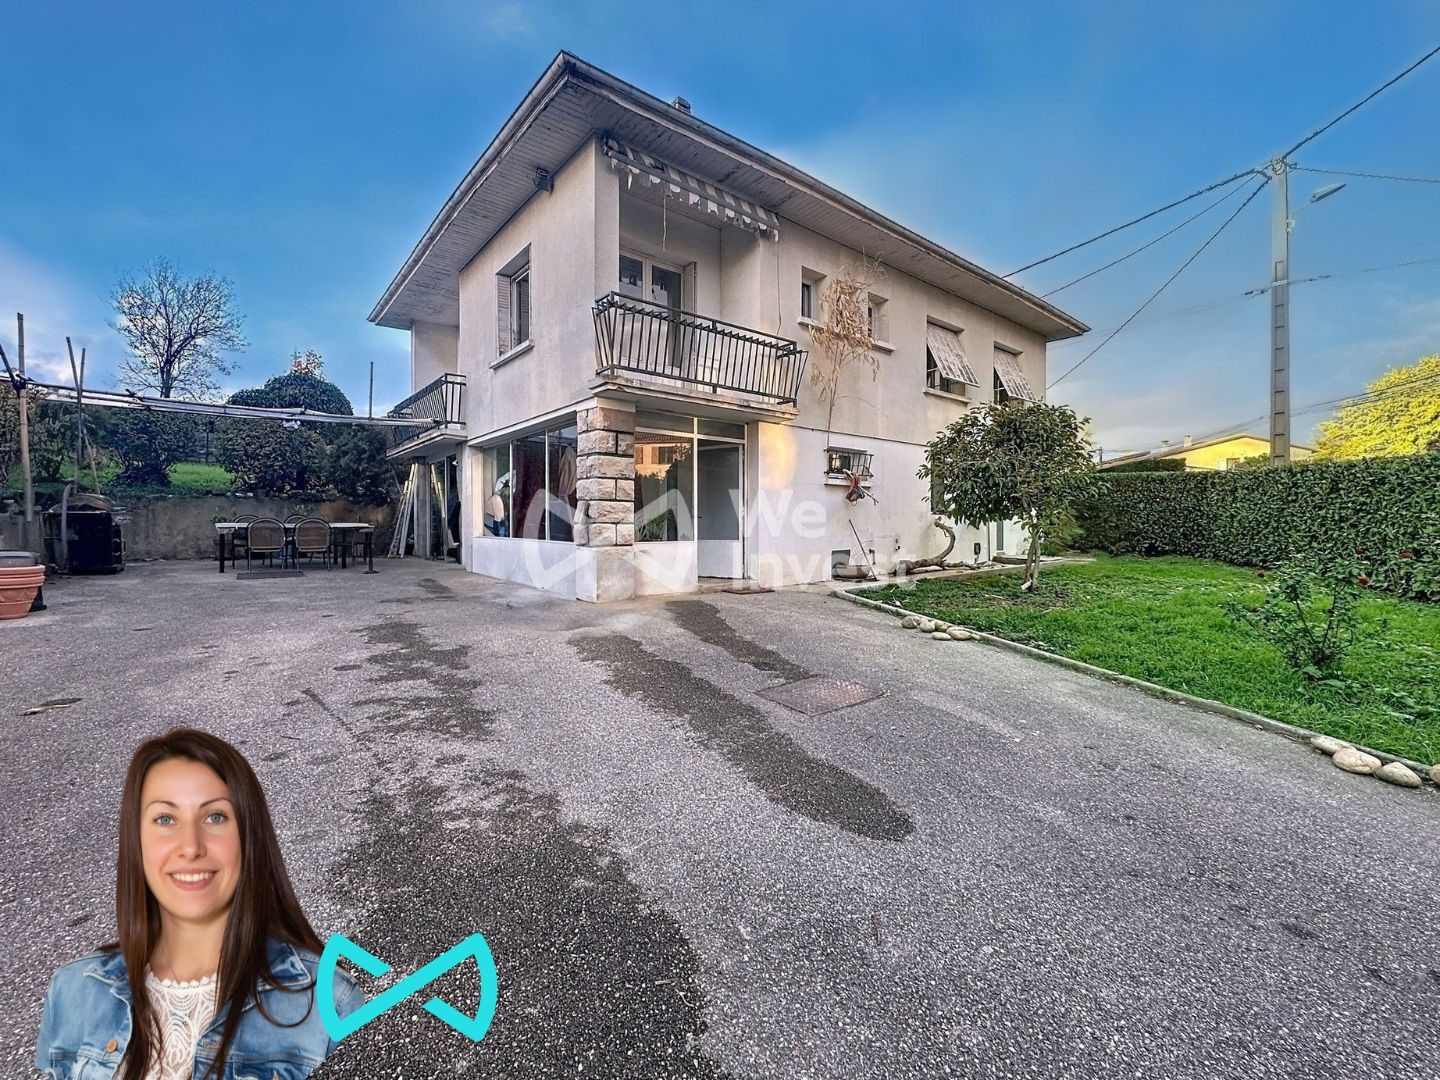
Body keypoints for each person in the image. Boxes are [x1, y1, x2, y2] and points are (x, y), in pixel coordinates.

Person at [35, 728, 363, 1080]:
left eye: (215, 817)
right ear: (137, 841)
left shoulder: (330, 1002)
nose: (191, 846)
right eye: (165, 819)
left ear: (248, 836)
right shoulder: (72, 992)